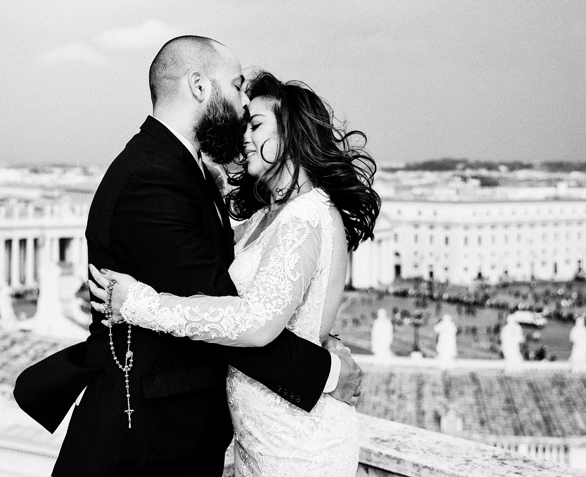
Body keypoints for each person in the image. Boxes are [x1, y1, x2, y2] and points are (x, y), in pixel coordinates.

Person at [13, 38, 363, 477]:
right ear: (200, 87)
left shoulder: (185, 170)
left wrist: (316, 343)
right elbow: (226, 308)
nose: (241, 108)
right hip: (144, 439)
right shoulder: (152, 178)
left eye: (256, 120)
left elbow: (240, 311)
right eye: (236, 88)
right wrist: (325, 372)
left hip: (190, 434)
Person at [89, 70, 381, 476]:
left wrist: (139, 304)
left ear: (293, 133)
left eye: (257, 125)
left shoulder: (306, 217)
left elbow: (256, 323)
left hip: (296, 441)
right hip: (256, 433)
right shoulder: (267, 216)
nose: (244, 136)